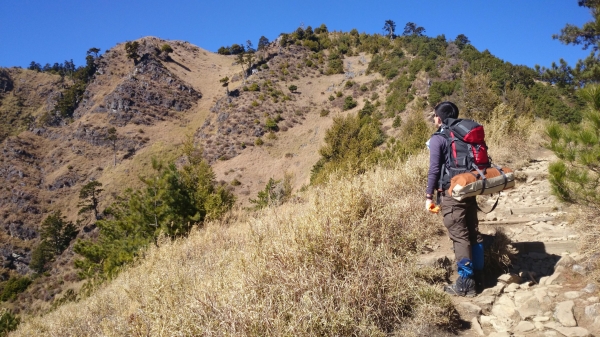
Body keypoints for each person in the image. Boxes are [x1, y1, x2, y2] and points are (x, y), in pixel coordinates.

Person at [426, 101, 484, 297]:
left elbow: (434, 170)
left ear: (440, 118)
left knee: (459, 236)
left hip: (451, 193)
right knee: (473, 231)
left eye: (434, 115)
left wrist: (428, 196)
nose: (434, 118)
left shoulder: (438, 138)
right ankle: (480, 274)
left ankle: (466, 283)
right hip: (469, 187)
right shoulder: (464, 135)